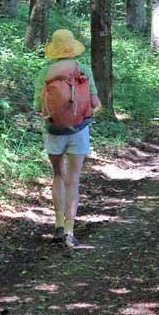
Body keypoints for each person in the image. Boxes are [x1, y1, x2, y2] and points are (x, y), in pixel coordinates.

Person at [33, 29, 101, 247]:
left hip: (53, 131)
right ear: (72, 48)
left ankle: (58, 225)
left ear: (54, 49)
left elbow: (38, 106)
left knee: (57, 175)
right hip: (79, 130)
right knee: (73, 179)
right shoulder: (84, 69)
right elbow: (95, 102)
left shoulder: (45, 72)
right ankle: (71, 232)